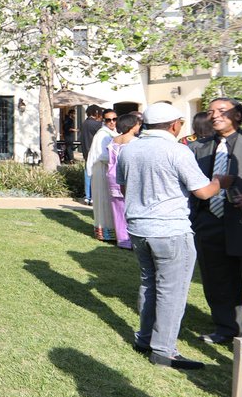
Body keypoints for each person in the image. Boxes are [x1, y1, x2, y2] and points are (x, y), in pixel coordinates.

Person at [116, 102, 222, 370]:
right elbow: (203, 192)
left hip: (138, 228)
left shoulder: (129, 149)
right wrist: (222, 181)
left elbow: (124, 187)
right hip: (170, 230)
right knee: (171, 292)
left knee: (149, 284)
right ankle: (164, 350)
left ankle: (145, 339)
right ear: (174, 125)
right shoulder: (178, 150)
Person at [188, 99, 242, 344]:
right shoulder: (197, 148)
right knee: (217, 279)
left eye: (222, 111)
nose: (215, 115)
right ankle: (227, 329)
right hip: (209, 222)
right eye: (210, 112)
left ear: (238, 115)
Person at [105, 112, 142, 251]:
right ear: (132, 125)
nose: (139, 126)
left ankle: (122, 240)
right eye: (138, 124)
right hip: (128, 178)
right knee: (132, 209)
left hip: (112, 177)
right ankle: (132, 239)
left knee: (118, 210)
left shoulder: (113, 140)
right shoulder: (135, 142)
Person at [87, 108, 118, 241]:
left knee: (109, 200)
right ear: (103, 121)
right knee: (103, 200)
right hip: (101, 170)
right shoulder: (101, 135)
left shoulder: (113, 133)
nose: (112, 122)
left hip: (109, 170)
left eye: (114, 119)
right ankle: (105, 232)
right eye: (108, 120)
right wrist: (118, 156)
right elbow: (102, 155)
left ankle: (112, 231)